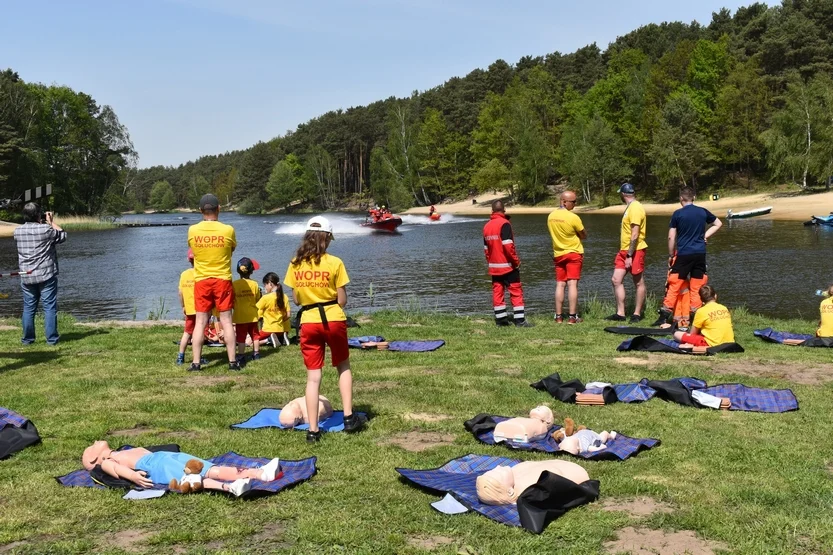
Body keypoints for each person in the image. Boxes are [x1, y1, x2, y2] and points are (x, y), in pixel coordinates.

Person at [284, 216, 363, 443]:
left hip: (309, 320)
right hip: (333, 319)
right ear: (327, 238)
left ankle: (313, 430)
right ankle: (348, 417)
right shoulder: (335, 263)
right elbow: (342, 300)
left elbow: (297, 299)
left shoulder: (295, 263)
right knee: (343, 366)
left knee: (313, 377)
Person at [81, 441, 281, 497]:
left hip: (164, 457)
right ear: (93, 457)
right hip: (155, 466)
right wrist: (133, 476)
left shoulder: (121, 450)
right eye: (93, 444)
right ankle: (231, 488)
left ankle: (259, 473)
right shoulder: (107, 461)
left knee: (207, 467)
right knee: (192, 477)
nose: (96, 440)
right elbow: (116, 470)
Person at [652, 187, 723, 327]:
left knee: (674, 283)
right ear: (694, 197)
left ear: (680, 198)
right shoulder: (702, 212)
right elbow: (718, 223)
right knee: (697, 286)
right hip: (700, 254)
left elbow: (671, 236)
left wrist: (671, 254)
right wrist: (704, 236)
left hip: (684, 254)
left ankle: (664, 316)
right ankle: (696, 316)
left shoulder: (677, 214)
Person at [187, 194, 238, 372]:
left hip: (201, 279)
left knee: (200, 321)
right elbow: (230, 250)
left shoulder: (193, 230)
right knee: (226, 320)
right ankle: (232, 362)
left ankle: (196, 362)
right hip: (222, 279)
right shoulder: (228, 230)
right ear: (219, 209)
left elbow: (194, 251)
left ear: (201, 211)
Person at [13, 202, 66, 345]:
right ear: (38, 215)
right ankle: (51, 339)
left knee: (29, 308)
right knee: (49, 307)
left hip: (26, 274)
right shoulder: (45, 230)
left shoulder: (17, 231)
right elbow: (62, 235)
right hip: (45, 274)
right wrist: (51, 222)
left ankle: (27, 340)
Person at [483, 200, 532, 327]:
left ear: (492, 211)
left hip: (494, 266)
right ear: (503, 210)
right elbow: (508, 246)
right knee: (516, 291)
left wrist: (491, 262)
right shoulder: (505, 224)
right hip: (508, 265)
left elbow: (486, 250)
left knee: (497, 292)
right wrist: (516, 262)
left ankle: (501, 320)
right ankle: (520, 320)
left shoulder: (487, 226)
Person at [607, 183, 648, 323]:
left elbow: (635, 234)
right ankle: (621, 313)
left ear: (623, 194)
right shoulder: (630, 207)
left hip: (635, 250)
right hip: (624, 249)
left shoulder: (636, 208)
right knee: (616, 279)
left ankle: (637, 314)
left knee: (638, 281)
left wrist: (630, 255)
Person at [547, 191, 586, 324]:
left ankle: (558, 317)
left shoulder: (551, 216)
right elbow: (583, 234)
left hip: (558, 254)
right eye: (573, 202)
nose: (575, 204)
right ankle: (572, 316)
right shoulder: (573, 217)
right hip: (573, 253)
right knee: (572, 283)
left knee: (560, 284)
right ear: (564, 201)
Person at [232, 257, 262, 363]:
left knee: (241, 337)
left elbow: (232, 299)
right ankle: (256, 353)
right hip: (252, 314)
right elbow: (257, 298)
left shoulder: (234, 284)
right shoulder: (255, 284)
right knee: (255, 336)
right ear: (251, 271)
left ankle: (241, 355)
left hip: (240, 316)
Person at [176, 249, 200, 365]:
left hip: (189, 308)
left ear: (188, 260)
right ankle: (198, 357)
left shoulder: (184, 274)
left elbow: (180, 292)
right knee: (198, 333)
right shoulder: (201, 273)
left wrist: (183, 306)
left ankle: (180, 356)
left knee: (187, 332)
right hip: (200, 308)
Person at [256, 272, 291, 347]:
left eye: (265, 285)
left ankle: (268, 340)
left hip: (268, 329)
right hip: (281, 329)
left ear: (270, 284)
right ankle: (281, 338)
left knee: (250, 342)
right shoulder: (285, 296)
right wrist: (280, 321)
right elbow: (288, 315)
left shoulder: (265, 298)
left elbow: (257, 314)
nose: (265, 287)